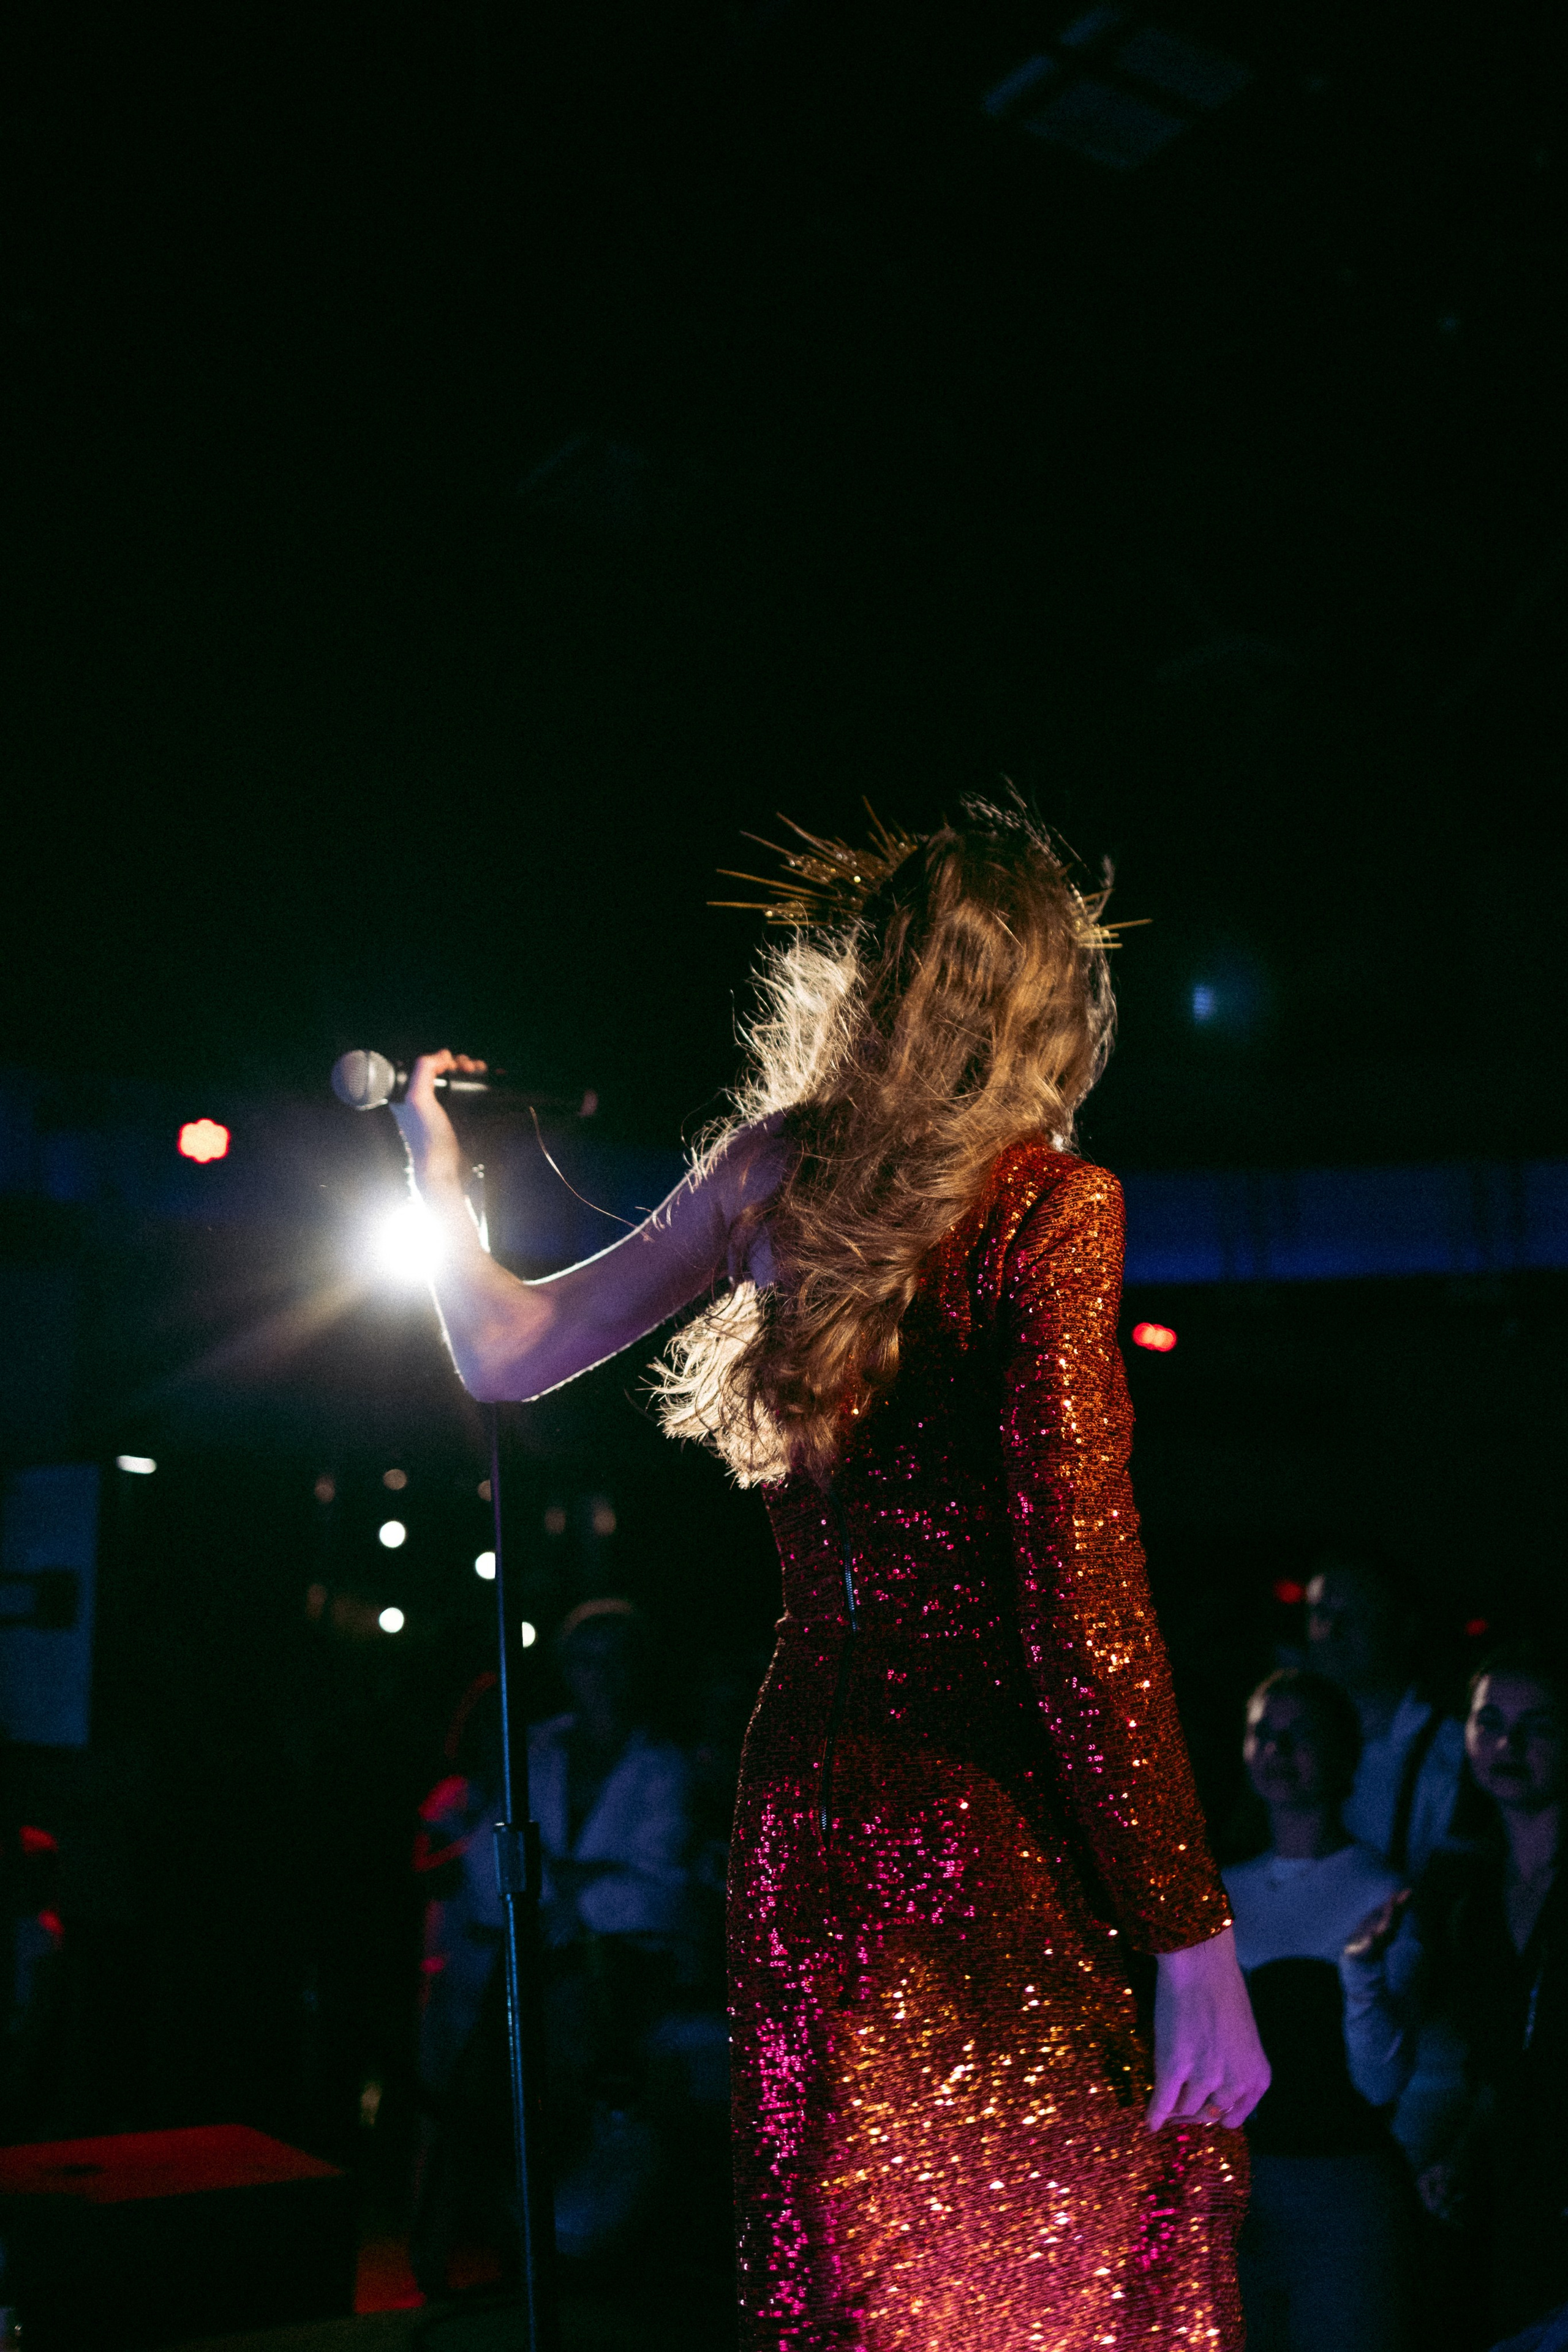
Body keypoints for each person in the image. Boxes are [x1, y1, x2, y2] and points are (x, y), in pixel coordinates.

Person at [392, 801, 1268, 2348]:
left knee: (865, 2267)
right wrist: (1191, 1936)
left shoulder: (768, 1173)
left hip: (808, 1807)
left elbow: (500, 1344)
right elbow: (1080, 1598)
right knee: (1046, 2264)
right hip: (987, 1813)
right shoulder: (1048, 1208)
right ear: (1042, 1003)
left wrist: (433, 1172)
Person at [1341, 1642, 1567, 2343]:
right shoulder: (1474, 1900)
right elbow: (1501, 2064)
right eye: (1489, 1722)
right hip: (1517, 2202)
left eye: (1537, 1727)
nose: (1508, 1744)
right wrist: (1462, 2158)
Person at [1223, 1668, 1409, 2350]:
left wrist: (1359, 1972)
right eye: (1263, 1733)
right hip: (1233, 2189)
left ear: (1342, 1753)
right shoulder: (1222, 1891)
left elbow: (1381, 2084)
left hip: (1341, 2187)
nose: (1278, 1750)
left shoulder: (1381, 1891)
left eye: (1299, 1736)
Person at [1306, 1552, 1465, 1879]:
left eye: (1356, 1615)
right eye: (1321, 1613)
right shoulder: (1280, 1740)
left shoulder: (1452, 1750)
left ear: (1405, 1626)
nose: (1332, 1631)